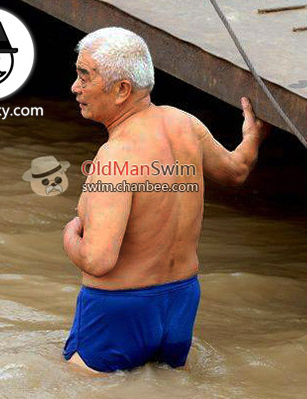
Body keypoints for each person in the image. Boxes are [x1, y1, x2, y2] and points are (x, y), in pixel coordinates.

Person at [62, 27, 269, 374]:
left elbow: (98, 260)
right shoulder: (185, 124)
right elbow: (236, 170)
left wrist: (69, 236)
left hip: (119, 308)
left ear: (122, 90)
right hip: (181, 303)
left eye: (85, 76)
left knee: (81, 382)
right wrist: (253, 135)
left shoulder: (115, 156)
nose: (75, 87)